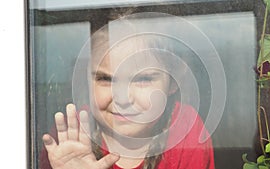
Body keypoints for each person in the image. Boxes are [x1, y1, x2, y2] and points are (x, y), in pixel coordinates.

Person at [40, 14, 215, 169]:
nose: (122, 99)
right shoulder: (71, 138)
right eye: (105, 79)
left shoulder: (184, 129)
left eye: (143, 79)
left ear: (173, 81)